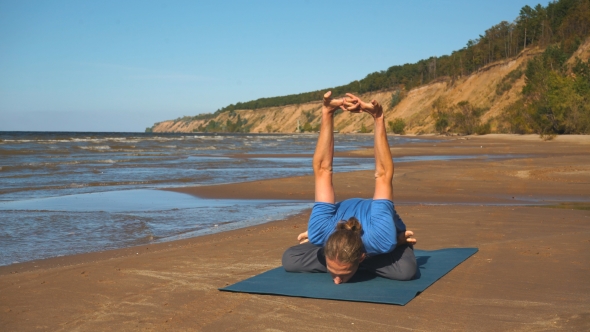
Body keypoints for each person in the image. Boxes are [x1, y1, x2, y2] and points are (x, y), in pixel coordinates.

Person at [281, 91, 418, 284]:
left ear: (362, 256)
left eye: (342, 274)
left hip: (377, 219)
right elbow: (322, 169)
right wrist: (327, 112)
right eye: (333, 271)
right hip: (350, 238)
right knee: (290, 259)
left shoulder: (380, 237)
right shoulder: (320, 231)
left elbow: (383, 174)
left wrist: (378, 118)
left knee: (405, 271)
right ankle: (346, 262)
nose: (336, 281)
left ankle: (367, 256)